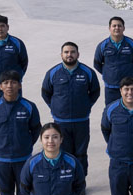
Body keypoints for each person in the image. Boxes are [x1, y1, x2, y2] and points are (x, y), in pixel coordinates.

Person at [40, 41, 102, 181]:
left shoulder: (87, 72)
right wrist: (56, 107)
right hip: (61, 122)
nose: (69, 55)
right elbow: (46, 93)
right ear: (61, 54)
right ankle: (66, 181)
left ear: (78, 54)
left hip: (81, 121)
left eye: (72, 52)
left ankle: (80, 182)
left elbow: (95, 92)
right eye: (66, 52)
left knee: (81, 153)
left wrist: (85, 106)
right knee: (63, 153)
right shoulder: (53, 73)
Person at [93, 16, 133, 106]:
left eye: (119, 26)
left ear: (123, 28)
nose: (117, 28)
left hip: (128, 87)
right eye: (114, 26)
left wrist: (130, 72)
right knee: (110, 109)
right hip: (111, 87)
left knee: (129, 109)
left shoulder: (132, 44)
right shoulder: (103, 45)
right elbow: (97, 63)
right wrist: (107, 73)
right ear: (109, 28)